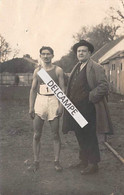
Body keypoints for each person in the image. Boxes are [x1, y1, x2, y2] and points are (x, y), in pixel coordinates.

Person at [62, 40, 113, 175]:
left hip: (89, 108)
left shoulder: (95, 67)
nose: (81, 53)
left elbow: (104, 86)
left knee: (89, 135)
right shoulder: (77, 67)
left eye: (83, 51)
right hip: (76, 108)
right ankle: (83, 160)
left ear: (89, 53)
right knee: (80, 134)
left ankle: (93, 164)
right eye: (79, 51)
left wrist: (90, 96)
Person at [28, 46, 65, 172]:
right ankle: (36, 161)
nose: (46, 56)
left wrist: (61, 106)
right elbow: (33, 89)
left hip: (54, 101)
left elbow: (62, 89)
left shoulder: (58, 70)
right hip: (40, 100)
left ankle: (56, 161)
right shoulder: (37, 71)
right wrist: (31, 107)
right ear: (40, 56)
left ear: (53, 55)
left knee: (55, 134)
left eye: (48, 54)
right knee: (37, 134)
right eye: (43, 54)